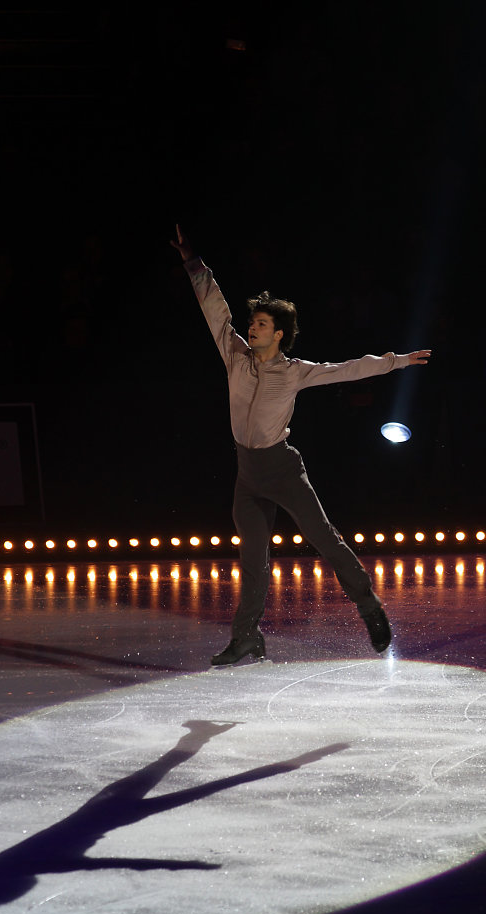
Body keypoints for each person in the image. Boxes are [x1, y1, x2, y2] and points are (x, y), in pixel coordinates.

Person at [170, 225, 431, 666]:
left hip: (282, 471)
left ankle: (369, 606)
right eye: (252, 322)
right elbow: (214, 309)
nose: (251, 328)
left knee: (324, 539)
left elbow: (348, 369)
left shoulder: (293, 372)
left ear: (278, 335)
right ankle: (247, 638)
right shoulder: (234, 355)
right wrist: (194, 264)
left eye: (261, 324)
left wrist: (397, 362)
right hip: (248, 474)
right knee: (253, 559)